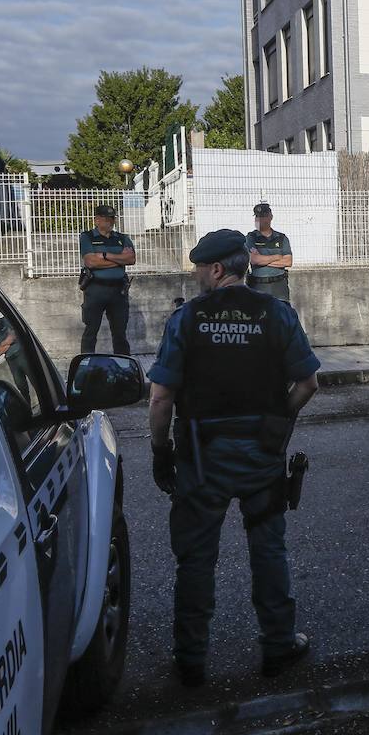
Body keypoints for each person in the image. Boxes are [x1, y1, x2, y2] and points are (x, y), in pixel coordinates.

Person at [147, 229, 321, 688]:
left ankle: (190, 660)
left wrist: (160, 452)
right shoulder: (277, 314)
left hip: (202, 460)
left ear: (217, 269)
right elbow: (307, 384)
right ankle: (278, 646)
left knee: (196, 560)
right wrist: (274, 424)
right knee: (268, 550)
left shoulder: (187, 319)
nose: (197, 275)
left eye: (200, 268)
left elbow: (161, 397)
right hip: (261, 457)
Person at [79, 204, 135, 355]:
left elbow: (131, 259)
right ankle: (86, 363)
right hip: (96, 289)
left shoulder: (122, 238)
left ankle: (123, 364)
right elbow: (90, 262)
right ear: (97, 220)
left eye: (112, 218)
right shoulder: (87, 237)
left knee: (120, 333)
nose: (110, 222)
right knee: (91, 331)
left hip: (118, 291)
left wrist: (105, 255)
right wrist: (119, 260)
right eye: (106, 219)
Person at [0, 304, 32, 404]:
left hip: (20, 354)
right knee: (21, 386)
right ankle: (28, 411)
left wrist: (2, 344)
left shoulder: (5, 321)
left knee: (34, 378)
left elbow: (14, 336)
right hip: (11, 361)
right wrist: (8, 341)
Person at [247, 203, 294, 302]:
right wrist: (277, 256)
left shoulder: (281, 238)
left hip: (279, 287)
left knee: (281, 316)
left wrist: (262, 260)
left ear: (270, 217)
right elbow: (254, 260)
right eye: (257, 216)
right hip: (258, 287)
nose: (260, 219)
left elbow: (288, 262)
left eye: (263, 216)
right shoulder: (251, 237)